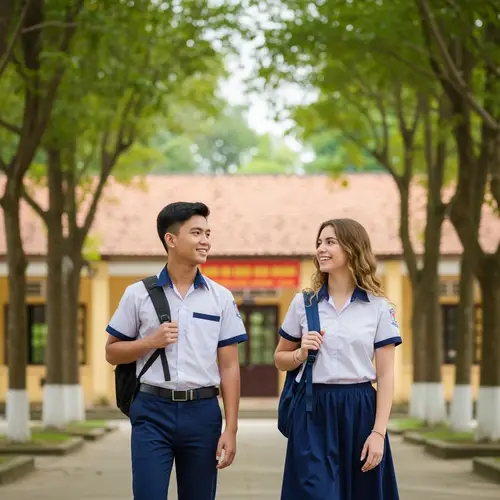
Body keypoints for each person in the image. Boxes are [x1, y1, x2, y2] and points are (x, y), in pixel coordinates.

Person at [105, 202, 247, 500]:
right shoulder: (138, 294)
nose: (205, 240)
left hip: (203, 412)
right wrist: (149, 342)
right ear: (171, 240)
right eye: (196, 232)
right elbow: (112, 353)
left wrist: (231, 428)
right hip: (151, 411)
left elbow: (230, 367)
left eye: (208, 233)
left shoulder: (220, 298)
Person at [275, 218, 401, 500]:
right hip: (313, 410)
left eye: (330, 242)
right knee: (315, 493)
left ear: (353, 248)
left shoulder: (379, 308)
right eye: (319, 243)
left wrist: (378, 433)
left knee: (362, 493)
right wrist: (300, 353)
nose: (321, 248)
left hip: (360, 410)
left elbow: (386, 375)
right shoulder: (303, 304)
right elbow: (280, 359)